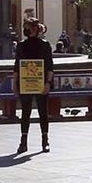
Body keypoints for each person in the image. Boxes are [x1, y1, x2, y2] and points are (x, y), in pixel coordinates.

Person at [14, 17, 54, 153]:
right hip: (26, 83)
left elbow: (49, 66)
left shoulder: (45, 45)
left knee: (43, 112)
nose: (26, 30)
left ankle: (45, 141)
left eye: (28, 27)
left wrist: (48, 83)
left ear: (35, 29)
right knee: (26, 113)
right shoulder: (21, 45)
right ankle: (23, 142)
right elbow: (17, 67)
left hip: (41, 83)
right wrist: (15, 84)